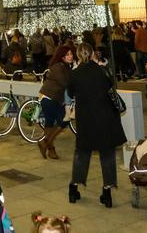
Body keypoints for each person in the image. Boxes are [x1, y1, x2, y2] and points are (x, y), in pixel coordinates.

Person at [66, 45, 127, 207]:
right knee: (107, 154)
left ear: (78, 56)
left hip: (86, 120)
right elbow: (111, 87)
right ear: (93, 53)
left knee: (82, 153)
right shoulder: (102, 71)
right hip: (105, 118)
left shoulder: (74, 74)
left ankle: (74, 188)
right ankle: (107, 192)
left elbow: (70, 93)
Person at [37, 45, 74, 160]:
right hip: (49, 97)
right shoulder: (57, 66)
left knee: (53, 123)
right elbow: (65, 83)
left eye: (71, 54)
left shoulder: (66, 66)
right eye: (68, 54)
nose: (71, 56)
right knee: (63, 120)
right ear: (61, 56)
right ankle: (48, 145)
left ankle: (47, 144)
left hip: (56, 99)